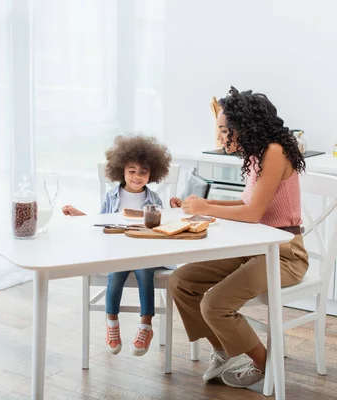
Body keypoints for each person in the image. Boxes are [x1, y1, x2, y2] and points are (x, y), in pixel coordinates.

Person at [169, 87, 309, 388]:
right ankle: (224, 350)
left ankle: (264, 362)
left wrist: (207, 207)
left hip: (284, 254)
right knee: (181, 282)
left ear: (245, 127)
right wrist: (202, 205)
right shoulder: (258, 154)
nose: (220, 138)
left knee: (214, 304)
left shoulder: (274, 152)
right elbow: (246, 204)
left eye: (224, 130)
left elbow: (253, 213)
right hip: (254, 248)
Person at [62, 133, 181, 356]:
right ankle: (112, 324)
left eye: (143, 172)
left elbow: (164, 225)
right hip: (117, 251)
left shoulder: (153, 199)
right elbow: (100, 222)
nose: (137, 177)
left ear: (151, 173)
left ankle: (146, 325)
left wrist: (175, 208)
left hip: (145, 251)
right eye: (132, 171)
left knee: (145, 274)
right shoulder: (112, 196)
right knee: (115, 276)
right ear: (122, 171)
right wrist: (78, 214)